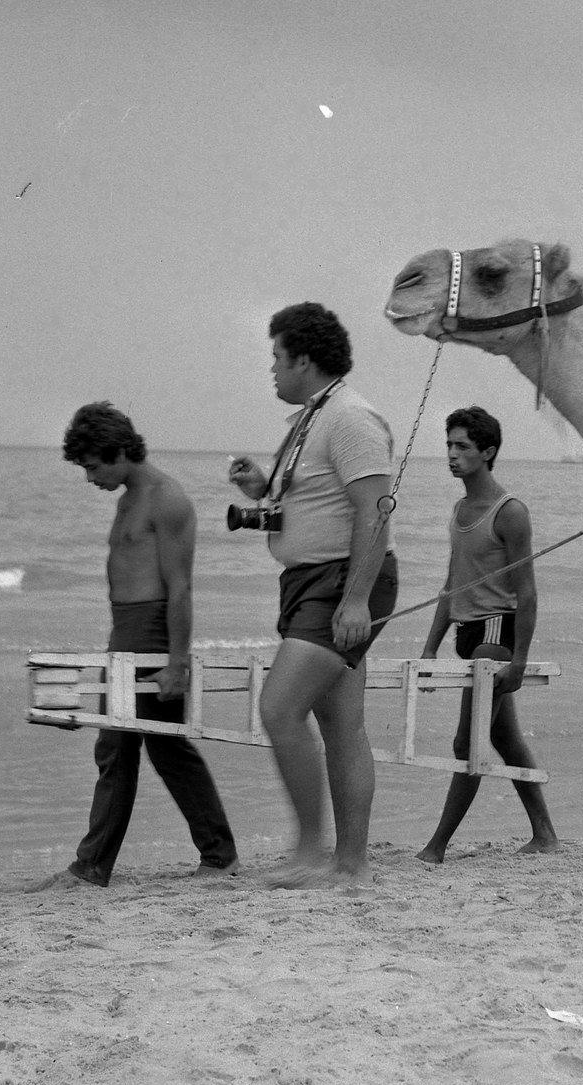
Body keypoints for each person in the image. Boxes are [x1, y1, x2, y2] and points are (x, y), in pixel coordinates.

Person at [226, 303, 397, 886]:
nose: (271, 368)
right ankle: (351, 866)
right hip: (310, 582)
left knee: (278, 708)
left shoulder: (350, 418)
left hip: (341, 581)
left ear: (303, 358)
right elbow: (315, 499)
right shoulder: (311, 418)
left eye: (276, 356)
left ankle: (308, 852)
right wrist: (262, 486)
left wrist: (356, 600)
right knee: (343, 724)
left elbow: (375, 511)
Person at [58, 402, 240, 887]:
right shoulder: (127, 499)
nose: (89, 478)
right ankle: (99, 864)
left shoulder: (167, 499)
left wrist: (177, 661)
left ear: (118, 452)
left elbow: (180, 587)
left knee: (154, 747)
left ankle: (213, 856)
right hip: (124, 631)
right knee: (125, 749)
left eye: (93, 466)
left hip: (153, 633)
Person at [415, 407, 559, 864]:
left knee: (467, 742)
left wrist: (519, 660)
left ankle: (436, 847)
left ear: (488, 452)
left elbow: (527, 593)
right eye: (449, 445)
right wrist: (430, 648)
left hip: (496, 634)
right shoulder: (459, 510)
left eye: (462, 446)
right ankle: (545, 834)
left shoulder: (509, 512)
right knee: (506, 738)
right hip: (467, 633)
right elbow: (451, 583)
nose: (452, 455)